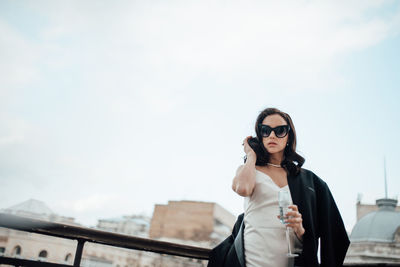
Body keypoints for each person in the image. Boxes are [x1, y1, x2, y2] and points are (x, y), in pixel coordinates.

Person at [208, 107, 350, 267]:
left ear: (289, 136)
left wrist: (300, 229)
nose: (272, 136)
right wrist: (251, 155)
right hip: (253, 260)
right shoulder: (250, 169)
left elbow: (328, 234)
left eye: (280, 130)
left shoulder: (306, 180)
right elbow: (243, 189)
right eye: (265, 131)